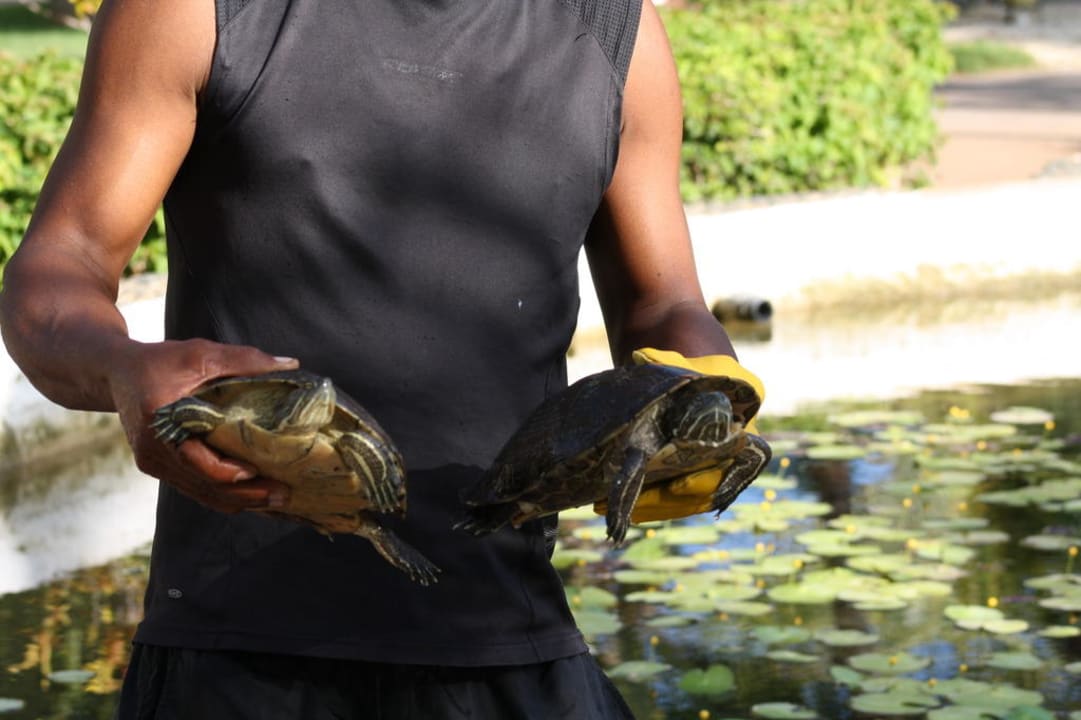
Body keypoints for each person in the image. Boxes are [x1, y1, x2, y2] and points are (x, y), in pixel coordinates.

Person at [0, 0, 767, 716]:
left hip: (509, 636)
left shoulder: (613, 34)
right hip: (232, 657)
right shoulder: (196, 9)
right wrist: (120, 370)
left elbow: (662, 305)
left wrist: (708, 396)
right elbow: (58, 268)